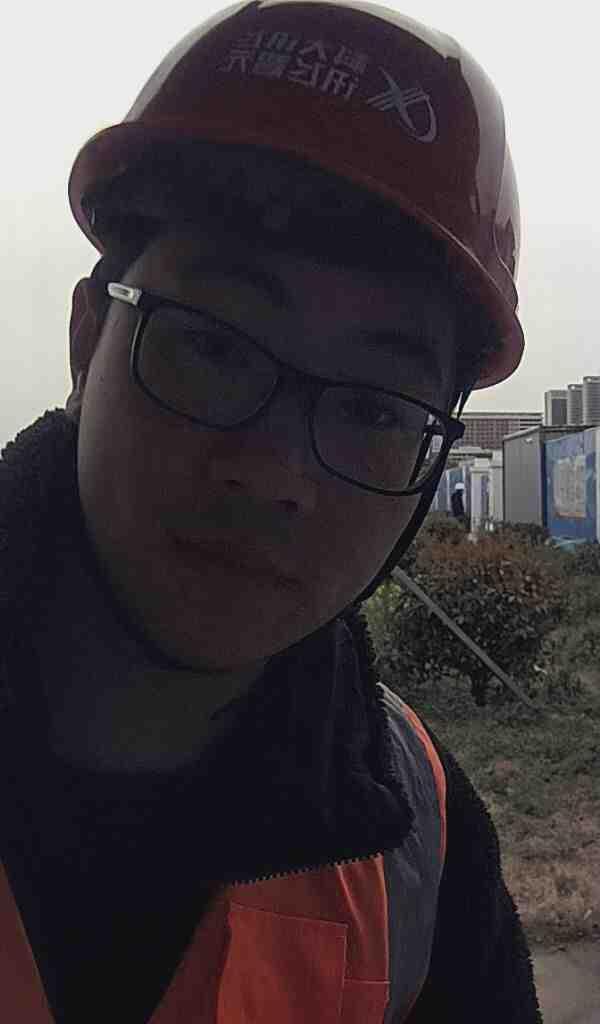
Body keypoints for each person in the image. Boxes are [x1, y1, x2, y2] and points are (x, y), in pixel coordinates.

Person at [0, 2, 542, 1021]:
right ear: (87, 341)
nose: (276, 473)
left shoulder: (420, 847)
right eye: (214, 347)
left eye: (375, 408)